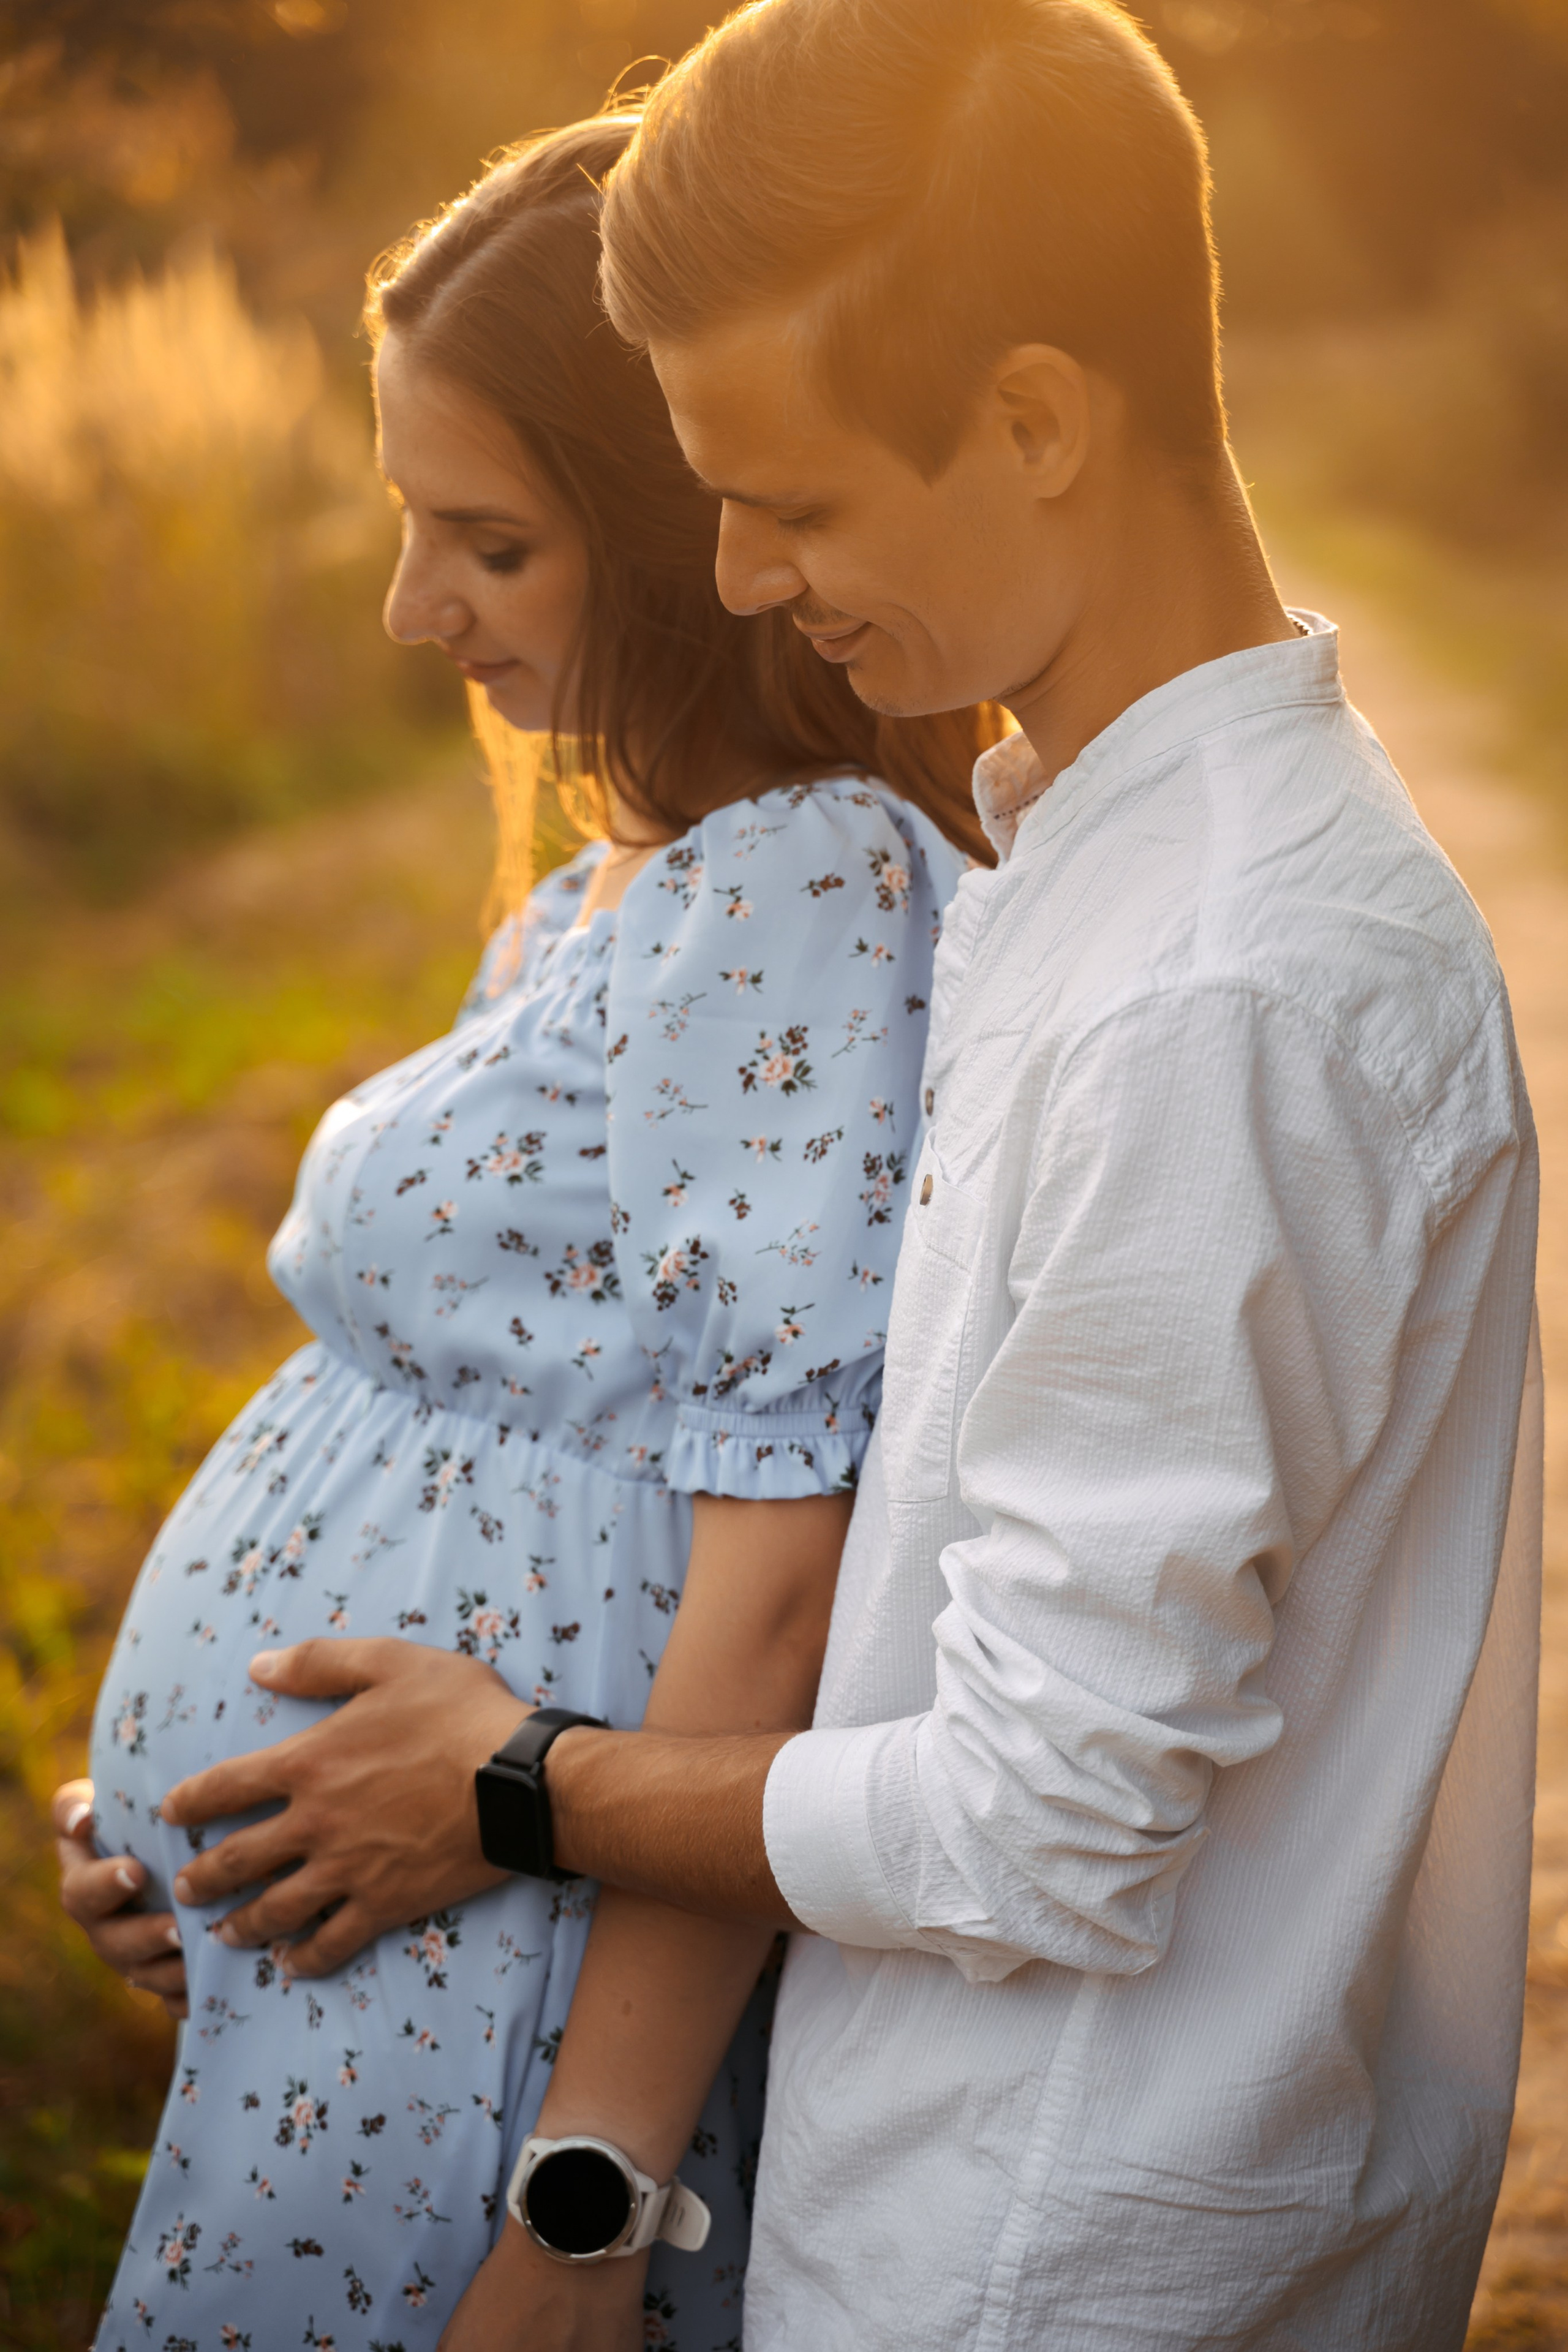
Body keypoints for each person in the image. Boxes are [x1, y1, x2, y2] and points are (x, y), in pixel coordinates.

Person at [71, 2, 1542, 2345]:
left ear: (1039, 419)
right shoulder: (1073, 863)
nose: (739, 578)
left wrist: (516, 1793)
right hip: (917, 2190)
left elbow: (1038, 1813)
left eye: (802, 500)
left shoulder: (1223, 988)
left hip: (1044, 2256)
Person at [56, 110, 1000, 2352]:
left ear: (685, 545)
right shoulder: (621, 886)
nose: (413, 610)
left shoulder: (797, 883)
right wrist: (199, 1824)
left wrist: (585, 2211)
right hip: (386, 1950)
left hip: (516, 1999)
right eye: (406, 525)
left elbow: (773, 1590)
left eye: (487, 540)